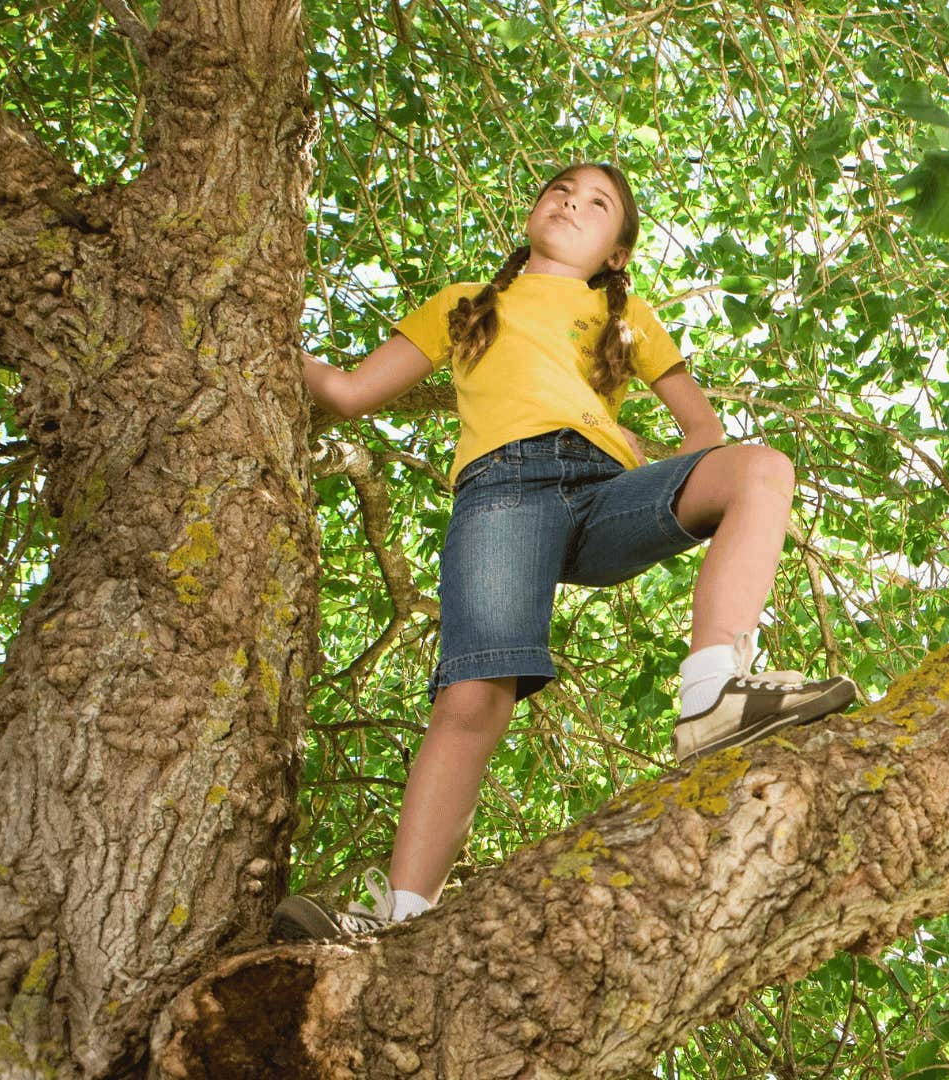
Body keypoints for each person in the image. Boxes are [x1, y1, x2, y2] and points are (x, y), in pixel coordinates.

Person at [270, 162, 855, 942]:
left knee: (762, 468)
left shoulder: (627, 316)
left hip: (605, 494)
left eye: (598, 202)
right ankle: (404, 914)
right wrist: (266, 336)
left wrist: (643, 465)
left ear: (617, 251)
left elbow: (703, 432)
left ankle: (714, 690)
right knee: (476, 697)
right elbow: (347, 394)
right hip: (504, 491)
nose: (572, 201)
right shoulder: (464, 306)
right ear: (534, 212)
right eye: (560, 190)